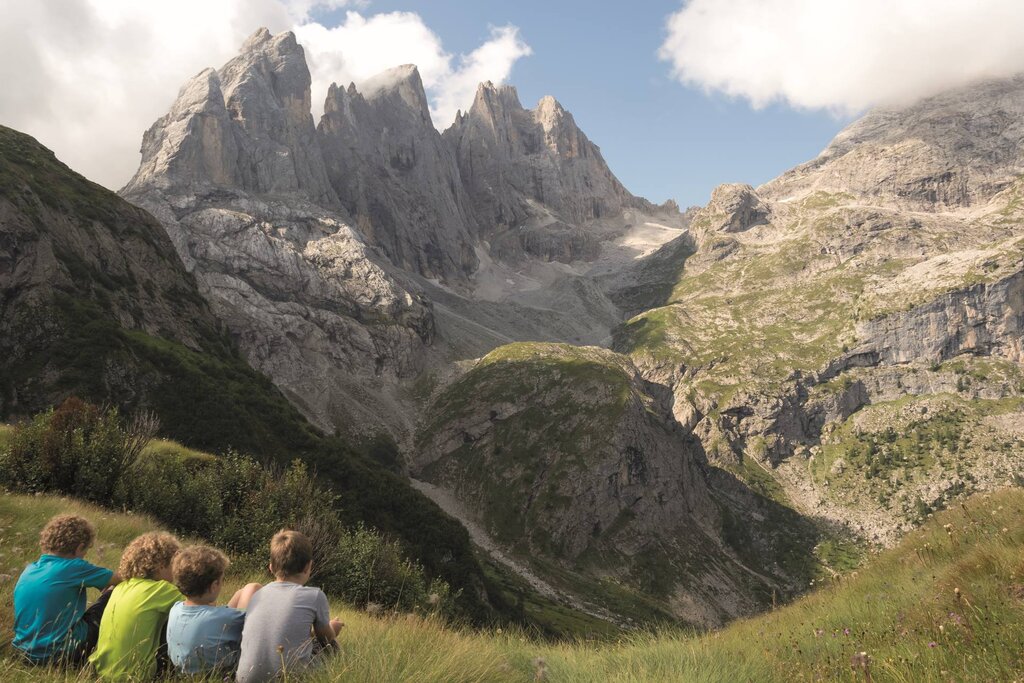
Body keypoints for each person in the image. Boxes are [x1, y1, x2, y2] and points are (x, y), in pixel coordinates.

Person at [235, 530, 343, 683]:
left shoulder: (257, 596)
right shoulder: (315, 596)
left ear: (271, 567)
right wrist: (333, 628)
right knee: (332, 646)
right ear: (308, 567)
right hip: (290, 678)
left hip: (245, 678)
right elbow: (326, 637)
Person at [12, 514, 120, 665]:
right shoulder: (74, 567)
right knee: (114, 592)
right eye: (86, 550)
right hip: (61, 655)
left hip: (24, 653)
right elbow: (120, 579)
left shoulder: (30, 569)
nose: (84, 556)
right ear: (79, 547)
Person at [88, 531, 183, 681]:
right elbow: (195, 607)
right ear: (160, 566)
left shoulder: (120, 588)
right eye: (174, 565)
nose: (177, 571)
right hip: (138, 675)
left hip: (101, 672)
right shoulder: (162, 589)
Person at [166, 545, 262, 676]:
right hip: (223, 675)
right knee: (252, 587)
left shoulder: (175, 609)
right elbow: (251, 626)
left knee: (242, 592)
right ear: (214, 586)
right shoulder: (224, 619)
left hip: (184, 673)